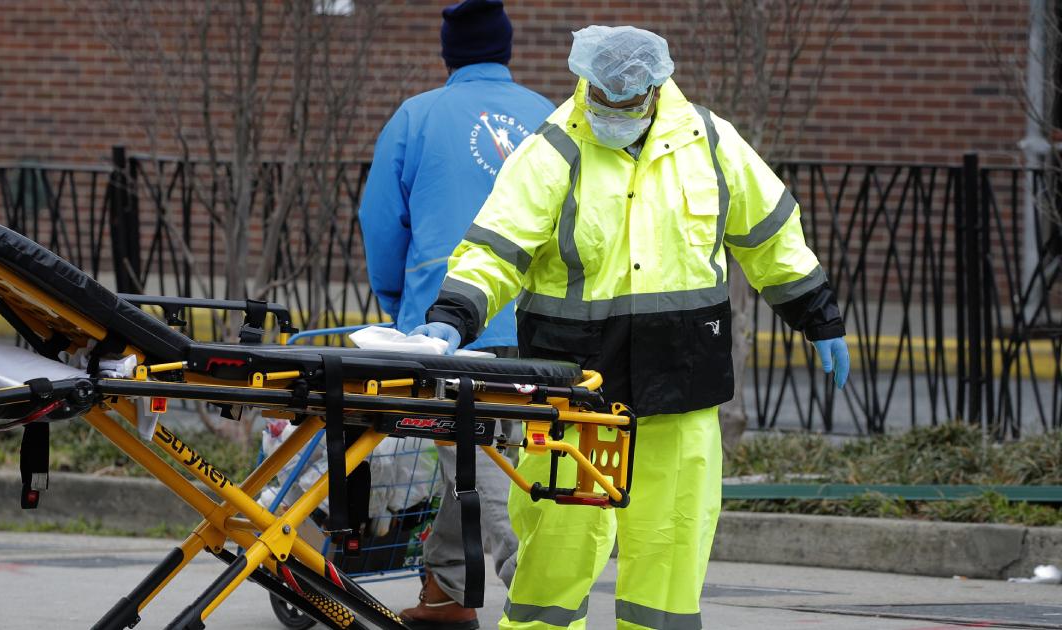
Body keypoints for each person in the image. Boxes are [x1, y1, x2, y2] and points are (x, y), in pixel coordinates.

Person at [412, 25, 851, 630]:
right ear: (584, 84)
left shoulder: (710, 143)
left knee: (670, 547)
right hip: (577, 396)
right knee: (558, 544)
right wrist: (452, 317)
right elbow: (497, 249)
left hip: (680, 386)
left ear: (655, 88)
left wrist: (817, 314)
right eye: (601, 98)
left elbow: (771, 234)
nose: (611, 112)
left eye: (625, 101)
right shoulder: (554, 150)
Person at [357, 1, 554, 628]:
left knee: (483, 466)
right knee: (473, 456)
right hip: (536, 326)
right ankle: (444, 593)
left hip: (445, 326)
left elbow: (381, 223)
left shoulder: (417, 117)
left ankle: (540, 597)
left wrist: (397, 305)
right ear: (507, 48)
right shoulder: (550, 119)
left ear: (449, 53)